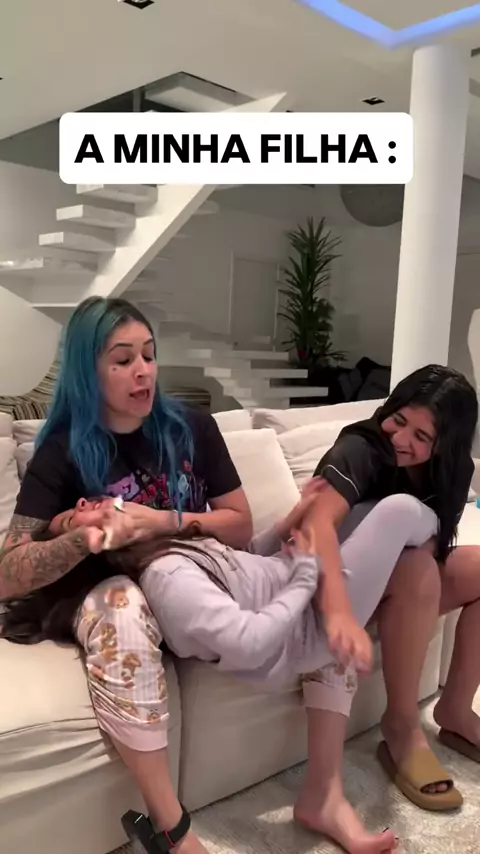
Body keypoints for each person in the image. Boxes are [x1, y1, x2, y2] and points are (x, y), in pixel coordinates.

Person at [38, 483, 437, 854]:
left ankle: (325, 799)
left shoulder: (163, 548)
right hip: (307, 625)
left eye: (79, 504)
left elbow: (236, 563)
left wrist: (289, 522)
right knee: (399, 511)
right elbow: (250, 643)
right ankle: (444, 523)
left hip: (291, 582)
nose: (82, 502)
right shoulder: (167, 580)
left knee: (360, 510)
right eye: (73, 520)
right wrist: (305, 572)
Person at [0, 296, 253, 854]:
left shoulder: (193, 428)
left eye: (149, 355)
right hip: (104, 589)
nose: (143, 371)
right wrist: (82, 538)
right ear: (88, 372)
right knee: (122, 605)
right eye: (122, 360)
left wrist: (163, 521)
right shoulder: (62, 450)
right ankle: (171, 829)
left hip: (185, 577)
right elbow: (9, 571)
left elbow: (240, 525)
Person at [306, 364, 480, 812]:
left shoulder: (454, 470)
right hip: (337, 587)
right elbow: (317, 524)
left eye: (422, 436)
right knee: (417, 564)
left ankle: (456, 708)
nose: (401, 439)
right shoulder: (360, 447)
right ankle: (402, 724)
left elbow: (438, 544)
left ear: (446, 445)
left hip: (400, 590)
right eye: (398, 420)